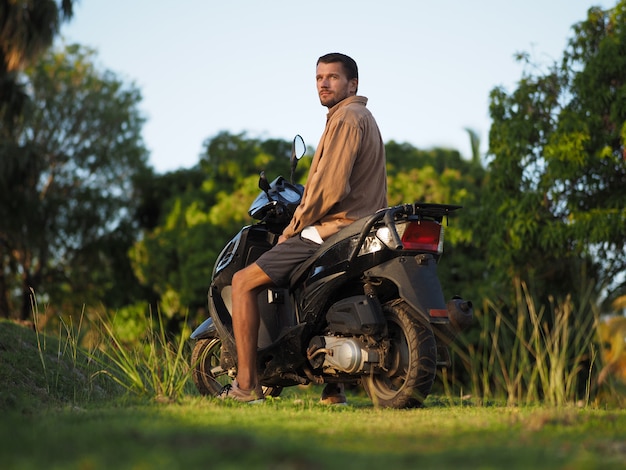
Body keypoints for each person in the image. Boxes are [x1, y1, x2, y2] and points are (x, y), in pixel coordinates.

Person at [219, 52, 387, 403]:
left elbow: (330, 189)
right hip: (358, 229)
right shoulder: (362, 117)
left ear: (352, 84)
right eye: (319, 78)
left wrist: (293, 227)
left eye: (333, 77)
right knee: (319, 292)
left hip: (333, 229)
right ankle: (333, 388)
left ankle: (247, 386)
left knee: (242, 281)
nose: (324, 83)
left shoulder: (345, 119)